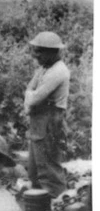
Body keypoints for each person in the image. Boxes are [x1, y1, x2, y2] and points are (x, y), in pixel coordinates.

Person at [24, 31, 70, 199]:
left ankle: (56, 200)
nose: (36, 55)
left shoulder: (58, 71)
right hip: (40, 120)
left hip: (50, 120)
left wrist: (30, 97)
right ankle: (38, 199)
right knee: (35, 164)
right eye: (35, 50)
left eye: (40, 51)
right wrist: (30, 96)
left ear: (53, 52)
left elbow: (35, 97)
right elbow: (29, 88)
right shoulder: (44, 68)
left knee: (48, 163)